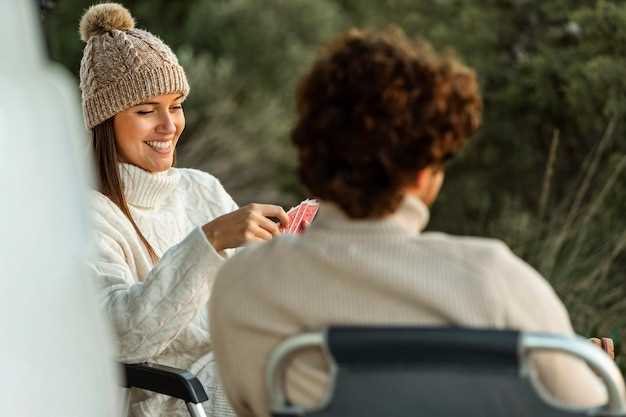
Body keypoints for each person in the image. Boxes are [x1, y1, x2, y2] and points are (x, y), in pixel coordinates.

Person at [209, 28, 607, 417]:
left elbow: (245, 403)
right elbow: (592, 407)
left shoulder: (245, 284)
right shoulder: (495, 281)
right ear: (423, 174)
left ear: (313, 152)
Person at [79, 3, 288, 417]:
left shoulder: (200, 188)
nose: (169, 125)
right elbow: (122, 335)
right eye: (145, 111)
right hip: (174, 400)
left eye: (175, 105)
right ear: (105, 123)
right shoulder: (85, 216)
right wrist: (209, 241)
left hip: (242, 369)